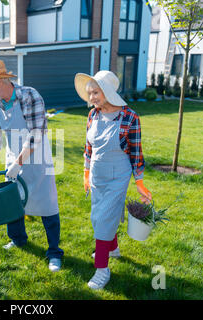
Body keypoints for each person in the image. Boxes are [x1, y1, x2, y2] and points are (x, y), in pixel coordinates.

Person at [0, 60, 64, 272]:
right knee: (13, 202)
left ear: (0, 81)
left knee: (47, 203)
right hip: (14, 156)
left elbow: (36, 134)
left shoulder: (29, 96)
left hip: (37, 157)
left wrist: (18, 163)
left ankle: (54, 252)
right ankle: (18, 239)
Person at [74, 70, 152, 289]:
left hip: (118, 175)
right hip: (97, 174)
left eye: (95, 93)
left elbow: (136, 153)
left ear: (107, 91)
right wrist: (86, 173)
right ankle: (113, 248)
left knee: (102, 219)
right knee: (100, 216)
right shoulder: (93, 116)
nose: (91, 98)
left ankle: (102, 269)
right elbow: (88, 148)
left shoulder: (130, 118)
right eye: (89, 94)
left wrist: (140, 183)